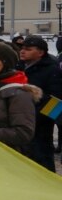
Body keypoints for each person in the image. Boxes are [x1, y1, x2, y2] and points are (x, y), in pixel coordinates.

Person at [19, 36, 62, 171]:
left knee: (41, 163)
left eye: (28, 49)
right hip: (20, 124)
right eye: (22, 48)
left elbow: (56, 102)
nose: (22, 51)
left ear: (40, 53)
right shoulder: (19, 67)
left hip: (40, 128)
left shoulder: (52, 70)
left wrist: (35, 118)